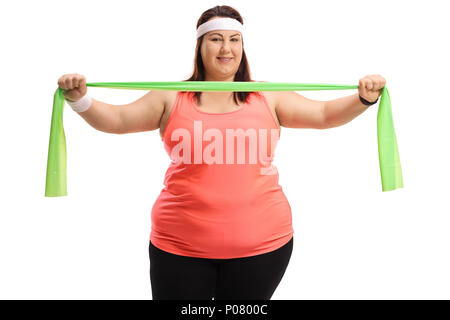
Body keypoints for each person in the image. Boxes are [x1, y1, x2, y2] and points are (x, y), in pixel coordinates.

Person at [57, 5, 384, 300]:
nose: (226, 48)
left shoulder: (268, 96)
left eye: (234, 39)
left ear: (243, 46)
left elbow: (325, 114)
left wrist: (364, 98)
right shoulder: (171, 97)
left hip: (262, 247)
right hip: (179, 248)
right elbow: (116, 120)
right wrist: (79, 98)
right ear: (199, 46)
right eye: (215, 39)